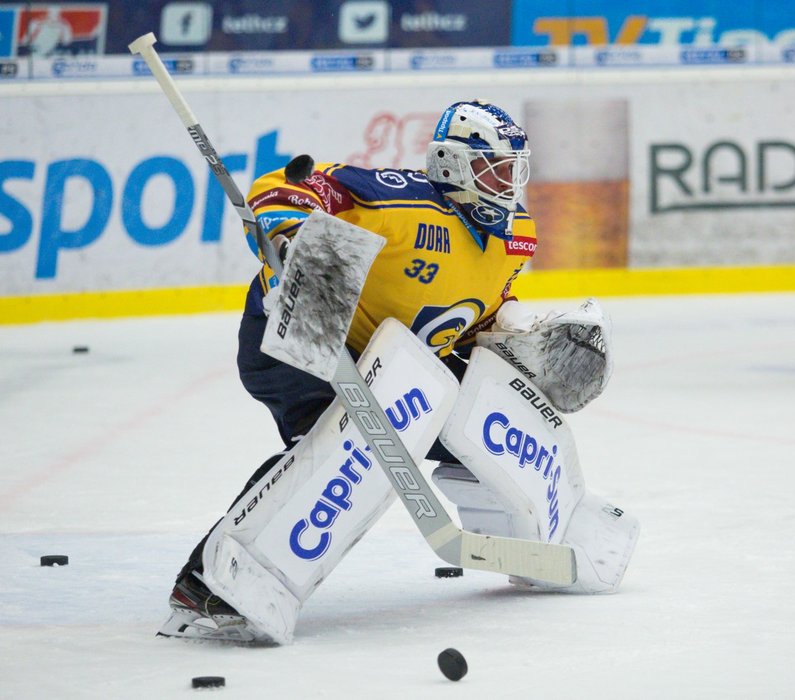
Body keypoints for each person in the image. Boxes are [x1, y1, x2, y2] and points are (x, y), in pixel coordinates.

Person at [159, 100, 637, 643]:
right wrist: (290, 227)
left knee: (487, 412)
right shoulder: (397, 200)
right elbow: (289, 183)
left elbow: (474, 314)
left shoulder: (514, 235)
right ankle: (217, 583)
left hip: (403, 365)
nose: (507, 183)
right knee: (345, 451)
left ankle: (558, 521)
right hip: (307, 338)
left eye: (514, 169)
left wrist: (517, 343)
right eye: (494, 169)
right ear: (454, 165)